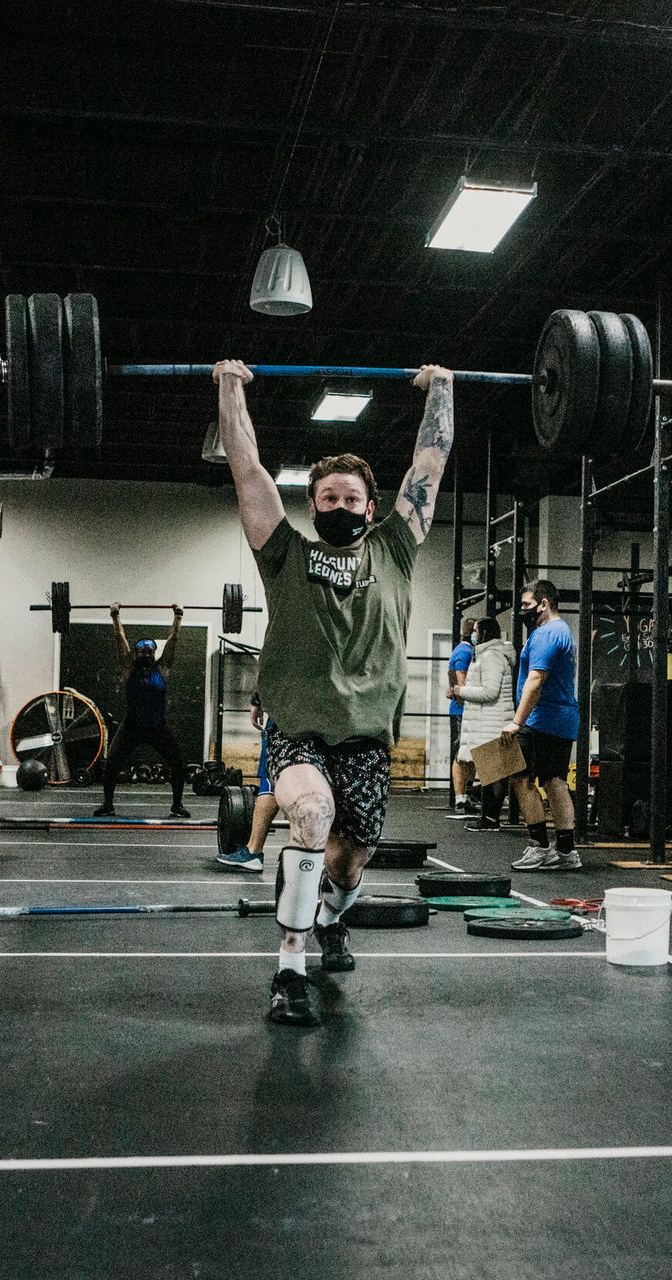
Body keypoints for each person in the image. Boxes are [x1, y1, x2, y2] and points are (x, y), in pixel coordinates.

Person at [217, 358, 451, 1026]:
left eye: (352, 500)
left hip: (368, 743)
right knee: (312, 817)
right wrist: (230, 388)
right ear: (312, 505)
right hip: (298, 733)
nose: (341, 507)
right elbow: (247, 469)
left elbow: (428, 463)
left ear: (371, 508)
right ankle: (288, 970)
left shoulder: (396, 551)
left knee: (349, 865)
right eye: (329, 499)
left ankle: (329, 919)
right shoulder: (283, 552)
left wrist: (443, 390)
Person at [505, 580, 582, 871]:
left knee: (519, 777)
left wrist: (516, 722)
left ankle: (540, 846)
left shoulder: (547, 634)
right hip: (558, 718)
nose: (523, 611)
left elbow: (535, 681)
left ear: (544, 604)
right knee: (554, 780)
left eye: (526, 605)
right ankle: (566, 852)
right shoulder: (559, 631)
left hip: (542, 720)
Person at [94, 603, 191, 819]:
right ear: (136, 653)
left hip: (158, 727)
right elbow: (120, 637)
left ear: (154, 653)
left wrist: (178, 616)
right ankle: (108, 805)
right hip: (132, 726)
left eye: (149, 650)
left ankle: (177, 806)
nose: (146, 653)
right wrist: (115, 614)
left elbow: (173, 639)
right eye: (142, 650)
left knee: (177, 763)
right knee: (111, 764)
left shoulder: (163, 668)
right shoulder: (129, 669)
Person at [454, 616, 516, 833]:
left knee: (494, 774)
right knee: (491, 773)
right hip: (490, 720)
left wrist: (461, 691)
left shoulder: (491, 657)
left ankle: (490, 819)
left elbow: (490, 691)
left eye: (476, 630)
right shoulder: (487, 655)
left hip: (493, 721)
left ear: (484, 633)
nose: (473, 633)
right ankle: (489, 818)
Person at [216, 692, 275, 874]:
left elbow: (270, 668)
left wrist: (256, 701)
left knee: (270, 783)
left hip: (289, 717)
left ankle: (253, 852)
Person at [446, 616, 478, 817]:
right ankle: (460, 799)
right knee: (461, 754)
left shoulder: (463, 650)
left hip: (466, 710)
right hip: (461, 711)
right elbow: (460, 683)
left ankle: (467, 796)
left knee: (471, 754)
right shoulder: (465, 651)